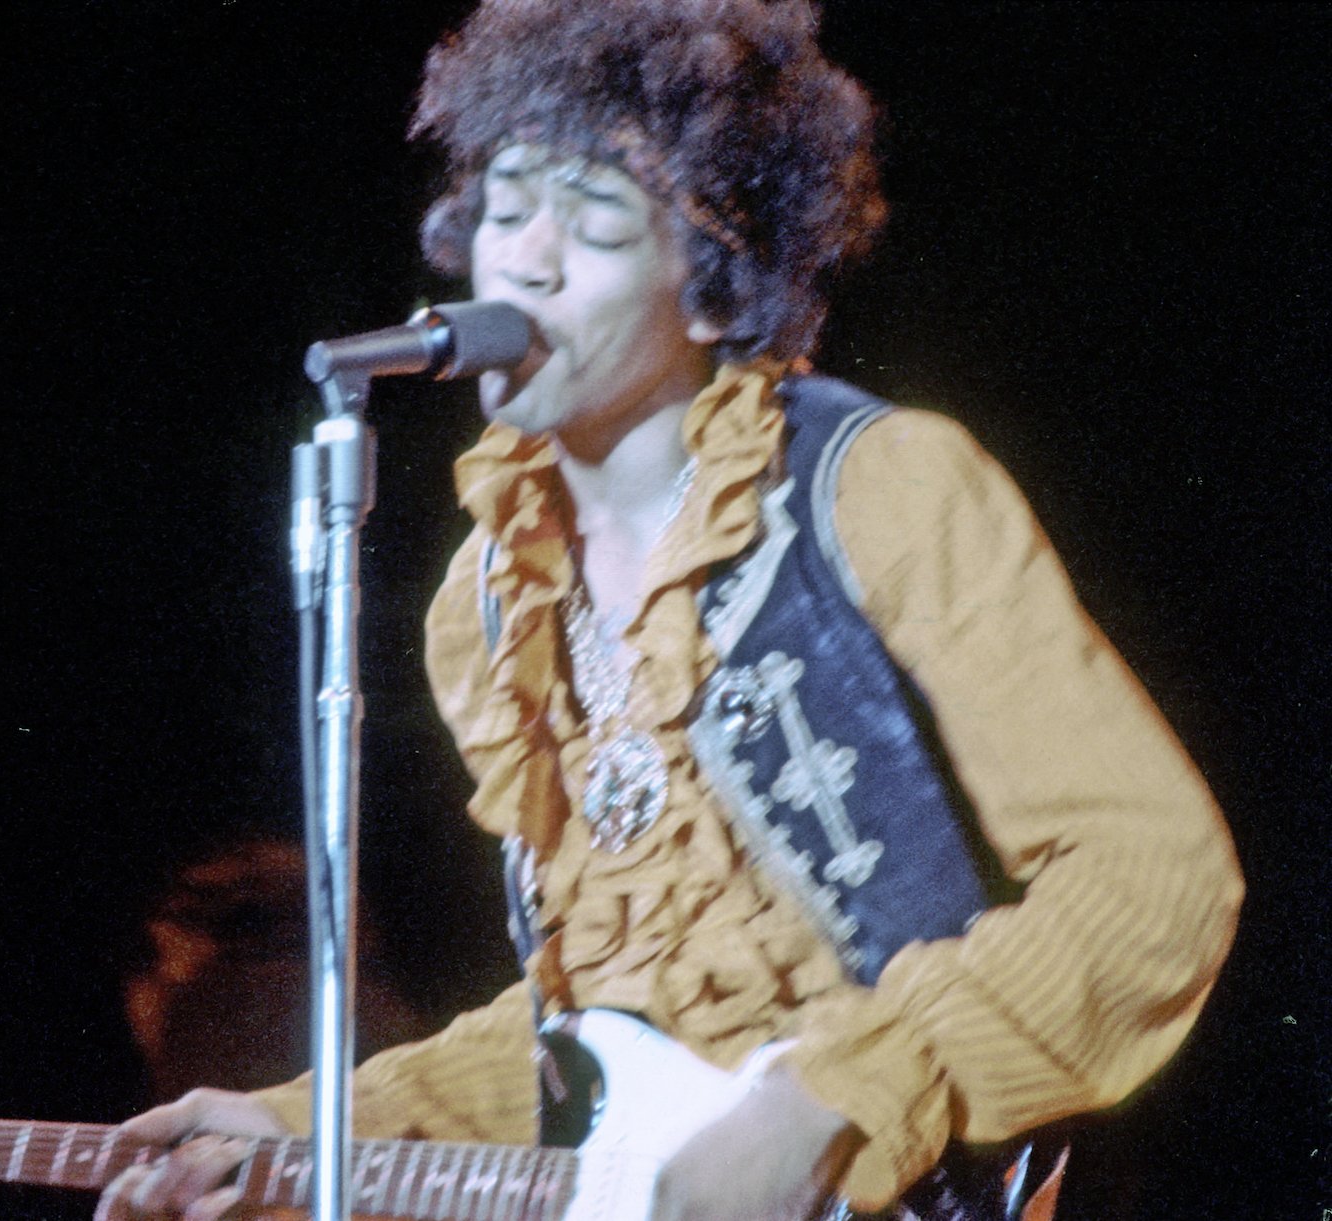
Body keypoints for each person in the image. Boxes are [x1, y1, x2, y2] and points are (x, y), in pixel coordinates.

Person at [96, 2, 1242, 1218]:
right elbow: (582, 1050)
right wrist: (298, 1126)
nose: (525, 259)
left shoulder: (882, 487)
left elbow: (1152, 879)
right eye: (504, 205)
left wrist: (840, 1094)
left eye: (590, 218)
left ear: (709, 284)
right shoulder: (487, 606)